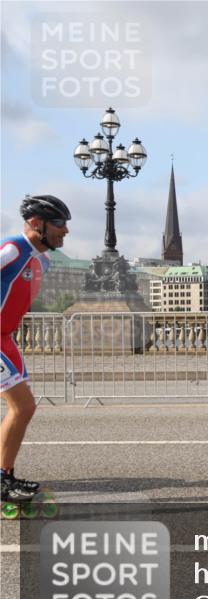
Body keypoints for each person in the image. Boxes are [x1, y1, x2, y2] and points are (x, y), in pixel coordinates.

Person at [1, 195, 71, 503]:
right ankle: (3, 479)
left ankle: (4, 475)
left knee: (24, 408)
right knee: (24, 406)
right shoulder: (13, 248)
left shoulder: (43, 259)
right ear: (34, 223)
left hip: (7, 338)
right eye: (58, 223)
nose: (65, 230)